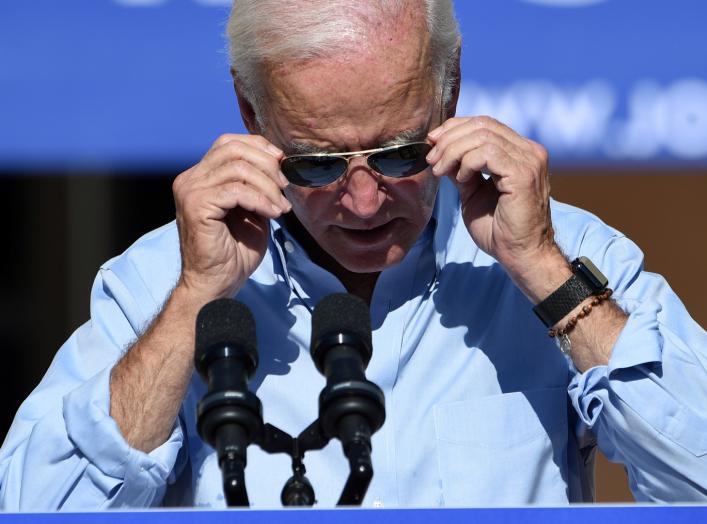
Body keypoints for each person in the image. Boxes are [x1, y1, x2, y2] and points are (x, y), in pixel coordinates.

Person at [1, 0, 706, 510]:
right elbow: (38, 509)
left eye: (401, 154)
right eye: (315, 164)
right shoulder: (162, 280)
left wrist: (544, 273)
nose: (364, 202)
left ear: (450, 89)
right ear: (251, 116)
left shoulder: (563, 252)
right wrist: (195, 300)